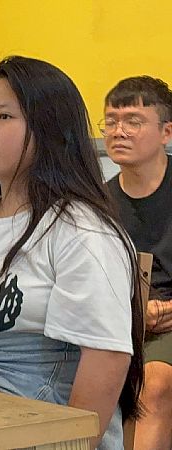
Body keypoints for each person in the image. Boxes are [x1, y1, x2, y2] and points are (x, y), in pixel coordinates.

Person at [0, 56, 144, 449]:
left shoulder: (81, 230)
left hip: (31, 426)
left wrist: (71, 444)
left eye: (4, 117)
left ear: (50, 130)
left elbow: (107, 357)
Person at [102, 76, 172, 449]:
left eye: (133, 121)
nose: (119, 131)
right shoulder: (97, 204)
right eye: (111, 121)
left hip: (166, 324)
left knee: (153, 382)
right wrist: (132, 312)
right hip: (121, 323)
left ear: (166, 132)